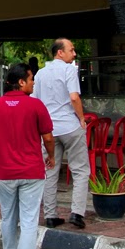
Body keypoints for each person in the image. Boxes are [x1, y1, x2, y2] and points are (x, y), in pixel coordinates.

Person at [0, 63, 54, 249]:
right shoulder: (36, 105)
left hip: (5, 173)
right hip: (32, 171)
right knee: (29, 221)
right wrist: (51, 156)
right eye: (31, 79)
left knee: (8, 216)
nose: (33, 83)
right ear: (21, 82)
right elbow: (48, 138)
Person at [33, 38, 90, 229]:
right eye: (71, 50)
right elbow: (74, 97)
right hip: (70, 126)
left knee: (50, 171)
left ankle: (50, 215)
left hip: (49, 129)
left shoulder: (40, 73)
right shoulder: (69, 70)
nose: (74, 54)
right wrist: (81, 118)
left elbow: (35, 101)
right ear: (60, 52)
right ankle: (77, 213)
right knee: (80, 170)